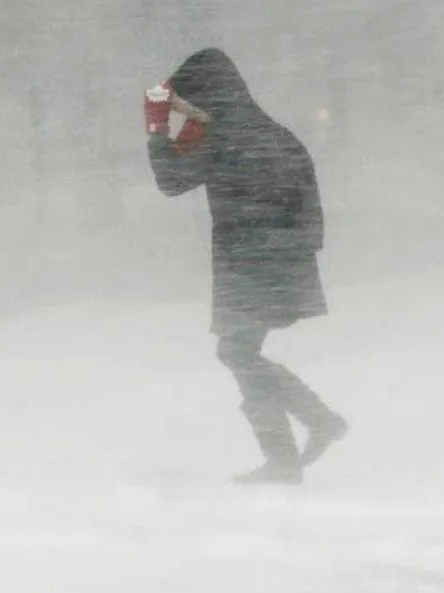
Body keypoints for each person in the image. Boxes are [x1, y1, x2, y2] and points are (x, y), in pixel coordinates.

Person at [144, 48, 346, 484]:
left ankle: (295, 447)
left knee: (236, 351)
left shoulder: (221, 136)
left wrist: (158, 127)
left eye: (188, 100)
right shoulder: (273, 132)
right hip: (282, 263)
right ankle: (302, 439)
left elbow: (170, 181)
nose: (187, 111)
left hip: (250, 264)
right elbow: (311, 208)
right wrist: (296, 254)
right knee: (241, 352)